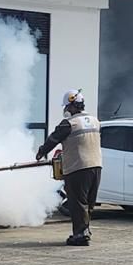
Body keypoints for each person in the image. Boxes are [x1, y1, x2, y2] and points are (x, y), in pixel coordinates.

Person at [37, 89, 102, 247]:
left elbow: (53, 139)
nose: (66, 110)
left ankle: (80, 235)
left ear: (72, 106)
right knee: (88, 203)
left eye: (67, 107)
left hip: (77, 168)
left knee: (77, 202)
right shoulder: (95, 121)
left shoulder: (69, 123)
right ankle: (84, 231)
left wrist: (41, 152)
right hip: (96, 166)